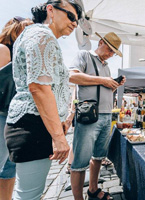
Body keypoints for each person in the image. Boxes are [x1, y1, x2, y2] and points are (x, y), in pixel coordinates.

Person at [4, 1, 82, 199]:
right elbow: (38, 87)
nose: (75, 24)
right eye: (71, 16)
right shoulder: (42, 35)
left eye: (77, 21)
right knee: (29, 196)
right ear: (51, 10)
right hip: (34, 124)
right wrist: (58, 137)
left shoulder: (37, 35)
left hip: (33, 123)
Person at [69, 32, 126, 200]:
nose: (110, 54)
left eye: (113, 52)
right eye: (109, 50)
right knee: (80, 162)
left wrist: (114, 84)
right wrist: (103, 80)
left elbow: (103, 88)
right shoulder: (84, 55)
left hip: (107, 115)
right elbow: (72, 76)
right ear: (100, 42)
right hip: (90, 116)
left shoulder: (106, 66)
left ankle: (93, 189)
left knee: (99, 156)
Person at [0, 16, 33, 200]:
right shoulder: (4, 50)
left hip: (15, 117)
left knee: (10, 167)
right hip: (2, 115)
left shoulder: (24, 58)